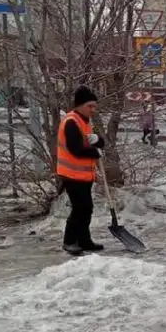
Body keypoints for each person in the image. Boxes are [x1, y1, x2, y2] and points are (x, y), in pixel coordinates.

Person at [56, 85, 106, 256]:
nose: (93, 110)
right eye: (90, 106)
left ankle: (84, 240)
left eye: (94, 107)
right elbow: (75, 149)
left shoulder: (85, 122)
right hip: (71, 174)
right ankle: (69, 241)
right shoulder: (71, 122)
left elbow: (99, 143)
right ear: (80, 105)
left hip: (83, 175)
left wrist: (98, 140)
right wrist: (94, 151)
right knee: (80, 208)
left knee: (87, 208)